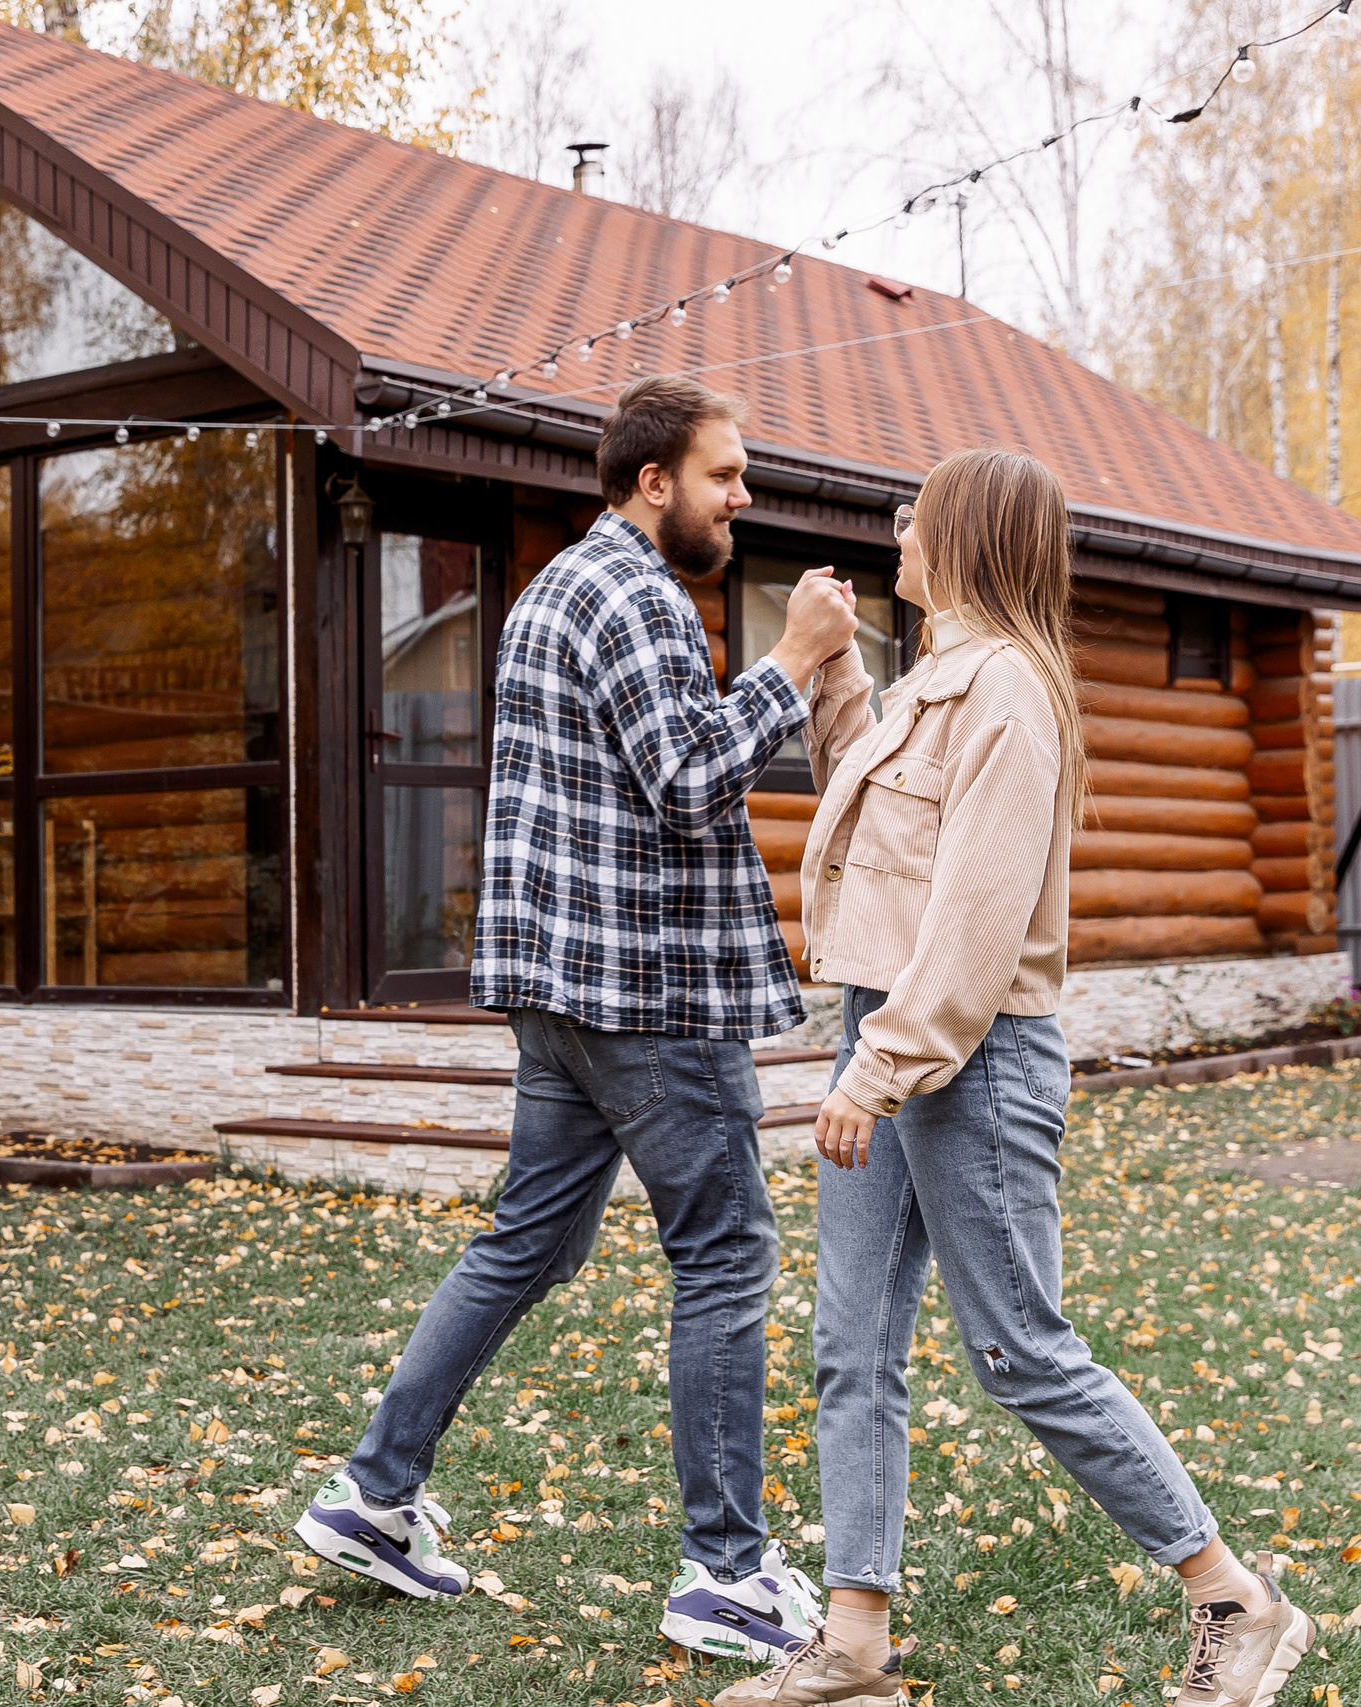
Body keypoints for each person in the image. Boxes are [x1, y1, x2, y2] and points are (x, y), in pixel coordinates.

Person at [716, 449, 1313, 1707]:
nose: (894, 534)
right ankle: (855, 1648)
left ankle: (1233, 1596)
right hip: (894, 1034)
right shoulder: (941, 680)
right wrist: (829, 676)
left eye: (912, 518)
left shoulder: (1009, 694)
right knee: (853, 1344)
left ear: (966, 536)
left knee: (1020, 1351)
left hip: (967, 1059)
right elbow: (880, 847)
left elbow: (976, 925)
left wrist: (877, 1069)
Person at [298, 374, 859, 1664]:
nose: (742, 498)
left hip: (559, 994)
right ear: (653, 481)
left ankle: (375, 1494)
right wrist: (796, 659)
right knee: (722, 1256)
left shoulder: (557, 587)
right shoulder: (637, 598)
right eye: (725, 477)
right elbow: (689, 776)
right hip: (646, 999)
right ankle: (725, 1573)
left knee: (527, 1245)